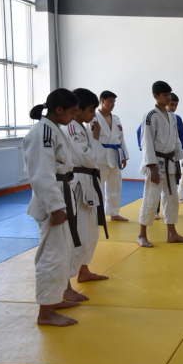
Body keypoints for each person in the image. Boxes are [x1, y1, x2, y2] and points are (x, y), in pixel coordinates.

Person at [23, 89, 81, 326]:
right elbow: (40, 174)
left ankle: (54, 300)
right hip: (52, 199)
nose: (74, 116)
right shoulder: (43, 132)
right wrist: (55, 208)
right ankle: (45, 313)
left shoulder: (53, 129)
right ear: (59, 110)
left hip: (61, 192)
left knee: (62, 252)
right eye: (72, 112)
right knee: (52, 255)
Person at [61, 88, 109, 303]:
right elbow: (88, 159)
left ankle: (84, 270)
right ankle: (65, 285)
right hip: (78, 185)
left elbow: (91, 158)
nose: (93, 114)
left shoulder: (82, 127)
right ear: (77, 109)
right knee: (76, 234)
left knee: (90, 232)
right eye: (91, 110)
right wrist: (96, 138)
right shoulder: (72, 127)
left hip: (89, 182)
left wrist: (93, 138)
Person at [137, 81, 183, 247]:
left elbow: (176, 142)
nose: (168, 98)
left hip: (170, 163)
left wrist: (177, 164)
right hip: (155, 163)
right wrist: (152, 168)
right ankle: (141, 235)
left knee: (172, 199)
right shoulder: (150, 116)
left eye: (169, 94)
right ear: (156, 96)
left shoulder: (173, 117)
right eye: (165, 95)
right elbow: (146, 142)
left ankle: (172, 233)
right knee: (151, 198)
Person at [136, 93, 183, 219]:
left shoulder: (175, 118)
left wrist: (177, 161)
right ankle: (152, 215)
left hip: (171, 159)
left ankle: (170, 224)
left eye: (175, 105)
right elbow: (143, 136)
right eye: (171, 104)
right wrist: (148, 156)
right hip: (156, 159)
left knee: (172, 195)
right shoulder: (151, 115)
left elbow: (179, 139)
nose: (173, 107)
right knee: (152, 194)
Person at [93, 90, 129, 222]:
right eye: (110, 101)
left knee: (115, 185)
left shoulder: (116, 119)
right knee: (97, 186)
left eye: (114, 102)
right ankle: (96, 214)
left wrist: (124, 156)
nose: (112, 104)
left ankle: (114, 213)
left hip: (115, 155)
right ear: (102, 101)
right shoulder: (94, 118)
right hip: (100, 156)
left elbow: (121, 139)